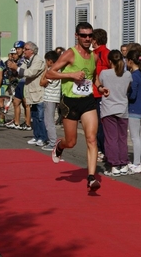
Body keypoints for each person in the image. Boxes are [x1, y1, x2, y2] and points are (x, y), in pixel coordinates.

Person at [45, 22, 109, 192]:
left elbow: (93, 78)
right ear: (77, 36)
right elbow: (49, 73)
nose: (87, 39)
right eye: (84, 35)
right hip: (70, 101)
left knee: (91, 139)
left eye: (90, 36)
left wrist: (100, 87)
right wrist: (71, 75)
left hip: (87, 101)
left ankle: (91, 177)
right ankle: (60, 146)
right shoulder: (69, 54)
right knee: (71, 142)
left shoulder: (94, 56)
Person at [8, 41, 47, 146]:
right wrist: (14, 69)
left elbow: (30, 73)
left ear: (32, 51)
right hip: (30, 91)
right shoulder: (27, 60)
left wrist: (17, 68)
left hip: (38, 92)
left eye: (26, 49)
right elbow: (21, 74)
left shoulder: (38, 60)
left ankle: (43, 137)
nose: (23, 51)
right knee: (34, 115)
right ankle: (36, 135)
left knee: (40, 117)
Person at [100, 50, 133, 176]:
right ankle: (123, 163)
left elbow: (101, 84)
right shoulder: (128, 74)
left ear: (109, 61)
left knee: (111, 139)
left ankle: (114, 165)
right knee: (122, 138)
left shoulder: (104, 73)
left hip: (108, 109)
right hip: (123, 108)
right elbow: (128, 89)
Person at [126, 50, 141, 173]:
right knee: (139, 136)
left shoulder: (133, 76)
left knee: (135, 137)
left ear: (130, 61)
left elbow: (132, 95)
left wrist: (126, 94)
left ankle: (136, 163)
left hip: (134, 108)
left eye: (126, 60)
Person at [92, 28, 110, 162]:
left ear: (96, 40)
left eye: (91, 39)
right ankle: (98, 149)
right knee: (95, 124)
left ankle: (103, 150)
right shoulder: (91, 54)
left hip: (102, 94)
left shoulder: (106, 54)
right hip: (92, 94)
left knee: (101, 125)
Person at [5, 41, 32, 130]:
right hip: (19, 83)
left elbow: (23, 71)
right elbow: (16, 73)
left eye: (19, 49)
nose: (17, 51)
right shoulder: (17, 59)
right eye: (16, 49)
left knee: (26, 104)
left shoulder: (25, 59)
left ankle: (28, 124)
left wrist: (15, 67)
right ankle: (16, 123)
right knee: (16, 102)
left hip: (25, 82)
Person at [40, 51, 61, 151]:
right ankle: (52, 141)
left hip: (50, 98)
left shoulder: (53, 71)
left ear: (50, 61)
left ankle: (53, 142)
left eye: (46, 61)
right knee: (49, 120)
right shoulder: (57, 70)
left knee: (49, 121)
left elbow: (42, 82)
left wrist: (45, 71)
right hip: (52, 97)